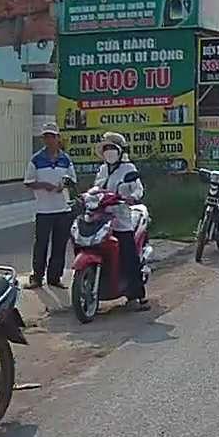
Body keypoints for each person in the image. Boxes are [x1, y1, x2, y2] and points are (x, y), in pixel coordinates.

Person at [92, 133, 149, 311]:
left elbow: (138, 189)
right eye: (106, 148)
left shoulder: (128, 168)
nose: (108, 151)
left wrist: (132, 197)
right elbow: (96, 188)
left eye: (112, 148)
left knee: (128, 256)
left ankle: (138, 295)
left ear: (120, 151)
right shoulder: (102, 169)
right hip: (101, 217)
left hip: (121, 220)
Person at [23, 122, 76, 289]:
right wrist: (43, 185)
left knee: (59, 245)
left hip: (62, 208)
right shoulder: (36, 159)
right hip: (44, 209)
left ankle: (55, 277)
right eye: (46, 137)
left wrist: (63, 185)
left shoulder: (65, 159)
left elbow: (72, 180)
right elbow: (28, 182)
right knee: (41, 245)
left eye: (52, 137)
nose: (49, 140)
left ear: (58, 138)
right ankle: (37, 277)